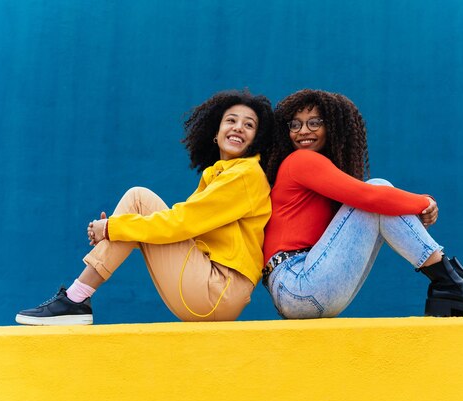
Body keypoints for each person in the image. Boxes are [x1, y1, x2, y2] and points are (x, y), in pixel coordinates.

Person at [16, 90, 274, 325]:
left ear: (256, 139)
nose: (238, 128)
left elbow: (180, 223)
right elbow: (180, 228)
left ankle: (75, 300)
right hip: (212, 290)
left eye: (249, 125)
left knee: (139, 199)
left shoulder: (245, 175)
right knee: (135, 217)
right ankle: (75, 299)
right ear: (215, 133)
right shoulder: (222, 175)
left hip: (216, 290)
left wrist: (114, 228)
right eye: (231, 120)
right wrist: (119, 231)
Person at [262, 89, 463, 318]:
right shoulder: (300, 162)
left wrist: (409, 206)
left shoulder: (319, 170)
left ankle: (452, 281)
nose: (303, 131)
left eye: (314, 122)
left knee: (379, 199)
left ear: (332, 127)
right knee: (378, 189)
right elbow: (370, 197)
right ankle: (449, 282)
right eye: (294, 125)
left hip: (307, 289)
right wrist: (425, 202)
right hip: (297, 284)